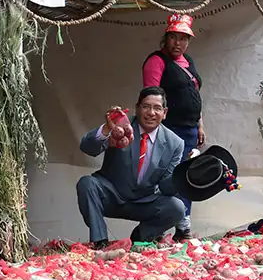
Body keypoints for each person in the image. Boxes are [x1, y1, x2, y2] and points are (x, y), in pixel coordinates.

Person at [76, 87, 185, 249]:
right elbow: (87, 148)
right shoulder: (121, 126)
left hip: (143, 202)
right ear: (137, 108)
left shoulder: (175, 143)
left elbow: (166, 187)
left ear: (165, 113)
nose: (151, 113)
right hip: (110, 195)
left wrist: (183, 174)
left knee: (177, 207)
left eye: (157, 108)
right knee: (87, 183)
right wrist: (106, 130)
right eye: (146, 107)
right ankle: (100, 242)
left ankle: (139, 239)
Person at [141, 14, 205, 240]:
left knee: (187, 177)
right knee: (168, 179)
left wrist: (200, 124)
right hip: (169, 129)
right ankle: (157, 228)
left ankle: (182, 227)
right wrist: (156, 131)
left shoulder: (189, 61)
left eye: (184, 38)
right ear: (166, 38)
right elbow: (150, 99)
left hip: (190, 129)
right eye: (174, 37)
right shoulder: (156, 61)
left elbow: (194, 94)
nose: (178, 43)